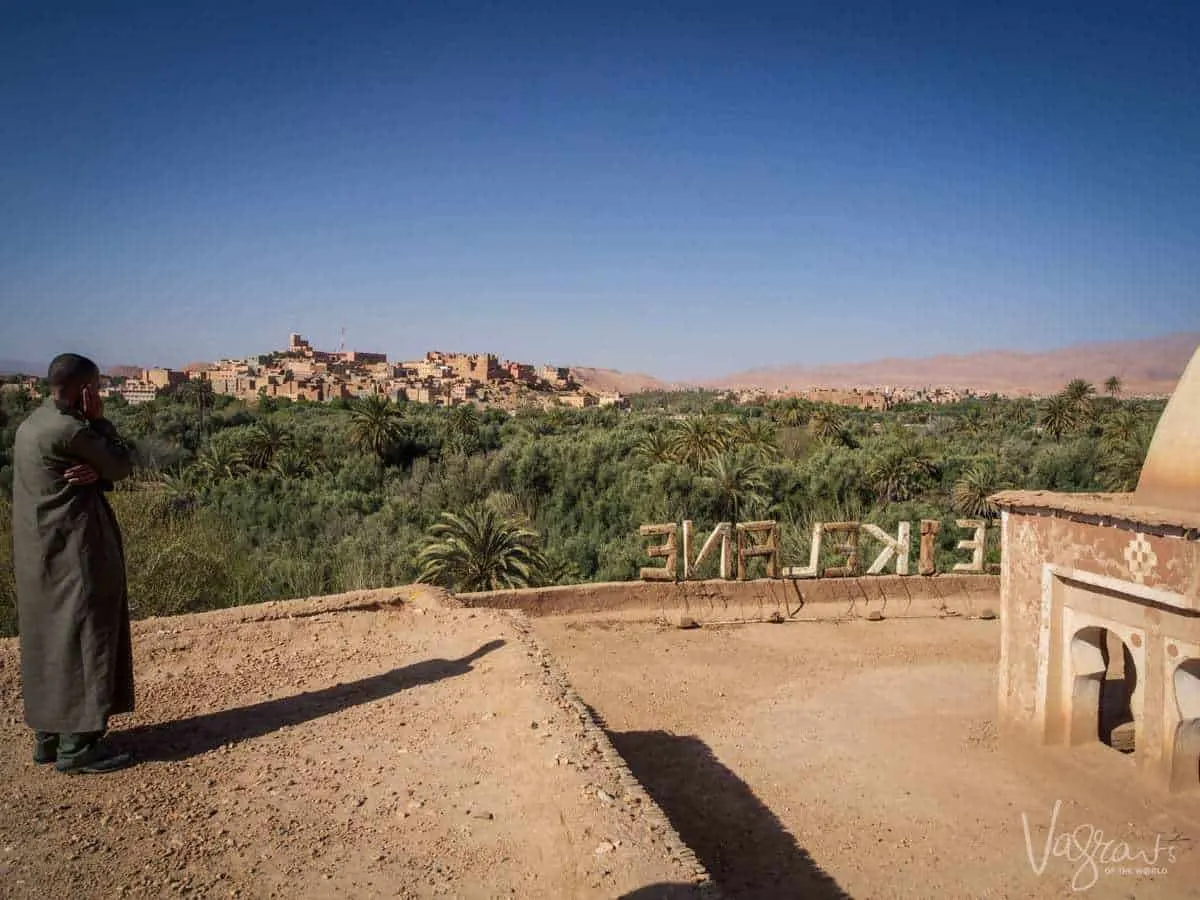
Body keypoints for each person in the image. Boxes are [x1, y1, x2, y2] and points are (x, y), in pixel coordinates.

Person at [11, 353, 136, 774]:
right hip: (74, 554)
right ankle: (78, 747)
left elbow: (75, 475)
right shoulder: (71, 430)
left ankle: (48, 737)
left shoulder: (33, 424)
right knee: (86, 637)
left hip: (37, 554)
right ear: (85, 391)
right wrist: (100, 424)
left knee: (48, 639)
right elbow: (121, 464)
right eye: (97, 389)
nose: (99, 396)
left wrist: (94, 475)